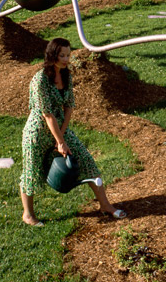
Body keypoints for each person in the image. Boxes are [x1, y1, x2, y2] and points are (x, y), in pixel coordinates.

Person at [20, 37, 126, 225]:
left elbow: (69, 106)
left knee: (87, 161)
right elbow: (47, 114)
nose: (66, 59)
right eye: (62, 55)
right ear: (52, 54)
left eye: (68, 55)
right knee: (31, 171)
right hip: (37, 132)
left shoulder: (67, 75)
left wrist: (62, 135)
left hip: (60, 127)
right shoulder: (40, 79)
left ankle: (105, 206)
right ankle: (28, 214)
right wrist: (59, 142)